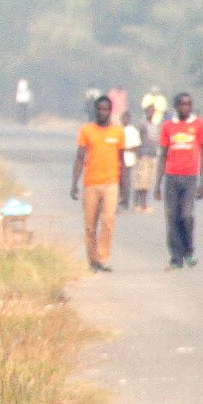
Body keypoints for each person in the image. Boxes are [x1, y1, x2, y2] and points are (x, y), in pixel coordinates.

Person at [154, 93, 203, 269]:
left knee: (186, 216)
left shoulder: (199, 125)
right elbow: (163, 155)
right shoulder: (168, 126)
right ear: (176, 107)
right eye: (182, 105)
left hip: (190, 177)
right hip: (171, 176)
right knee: (172, 217)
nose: (186, 108)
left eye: (188, 104)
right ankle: (176, 257)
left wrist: (202, 183)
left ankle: (189, 250)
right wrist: (157, 184)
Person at [71, 94, 124, 273]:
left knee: (108, 221)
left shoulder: (118, 132)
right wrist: (74, 183)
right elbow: (80, 158)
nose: (102, 112)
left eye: (106, 109)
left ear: (110, 111)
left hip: (111, 183)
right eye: (99, 109)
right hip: (91, 183)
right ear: (95, 110)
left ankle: (103, 258)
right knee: (90, 225)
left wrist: (124, 187)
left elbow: (121, 160)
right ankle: (92, 260)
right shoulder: (87, 131)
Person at [133, 104, 159, 212]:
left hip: (152, 156)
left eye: (153, 111)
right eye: (149, 111)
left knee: (148, 181)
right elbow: (138, 139)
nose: (151, 113)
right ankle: (137, 203)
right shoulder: (143, 125)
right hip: (143, 155)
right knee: (140, 180)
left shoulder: (154, 125)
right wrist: (138, 153)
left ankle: (144, 204)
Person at [119, 110, 140, 211]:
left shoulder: (133, 131)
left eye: (126, 118)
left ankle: (125, 201)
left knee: (125, 181)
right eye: (123, 118)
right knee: (118, 181)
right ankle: (118, 199)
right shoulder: (117, 130)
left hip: (128, 159)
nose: (125, 120)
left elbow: (136, 146)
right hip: (117, 159)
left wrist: (125, 149)